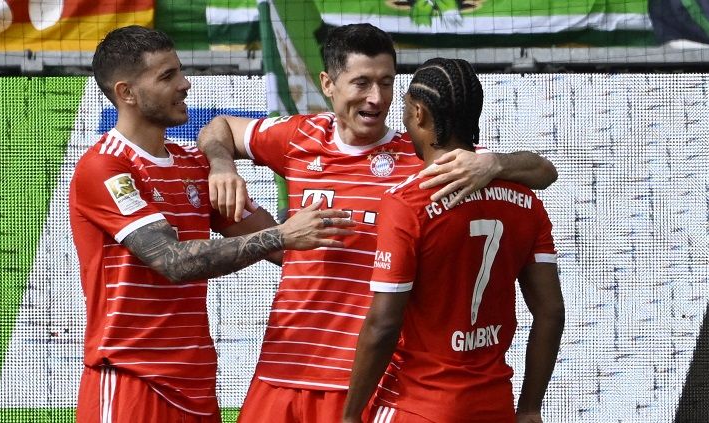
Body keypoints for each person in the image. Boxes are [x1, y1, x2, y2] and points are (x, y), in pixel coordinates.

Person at [197, 24, 558, 422]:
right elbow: (220, 128)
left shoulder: (424, 158)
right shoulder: (300, 136)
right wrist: (221, 165)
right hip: (282, 370)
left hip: (362, 384)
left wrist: (496, 162)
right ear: (328, 84)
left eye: (387, 83)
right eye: (362, 82)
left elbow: (543, 172)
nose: (376, 98)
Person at [70, 25, 353, 423]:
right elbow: (173, 262)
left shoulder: (192, 165)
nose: (185, 84)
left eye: (180, 71)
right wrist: (282, 233)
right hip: (130, 381)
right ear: (126, 93)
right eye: (167, 76)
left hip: (196, 385)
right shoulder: (106, 166)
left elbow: (284, 250)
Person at [341, 58, 565, 423]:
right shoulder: (526, 199)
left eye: (404, 110)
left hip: (417, 404)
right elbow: (551, 312)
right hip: (495, 406)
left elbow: (383, 325)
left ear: (418, 113)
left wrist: (349, 416)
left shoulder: (406, 203)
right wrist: (529, 408)